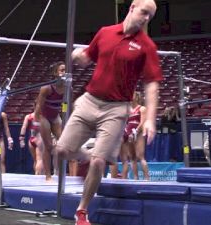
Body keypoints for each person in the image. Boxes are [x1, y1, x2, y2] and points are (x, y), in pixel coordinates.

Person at [55, 0, 163, 224]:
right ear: (132, 7)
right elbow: (87, 58)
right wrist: (77, 56)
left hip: (116, 109)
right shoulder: (105, 32)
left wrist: (150, 118)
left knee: (98, 162)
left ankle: (82, 211)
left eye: (150, 17)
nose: (145, 19)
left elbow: (151, 84)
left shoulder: (146, 46)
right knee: (62, 150)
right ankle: (89, 158)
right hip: (89, 101)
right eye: (144, 12)